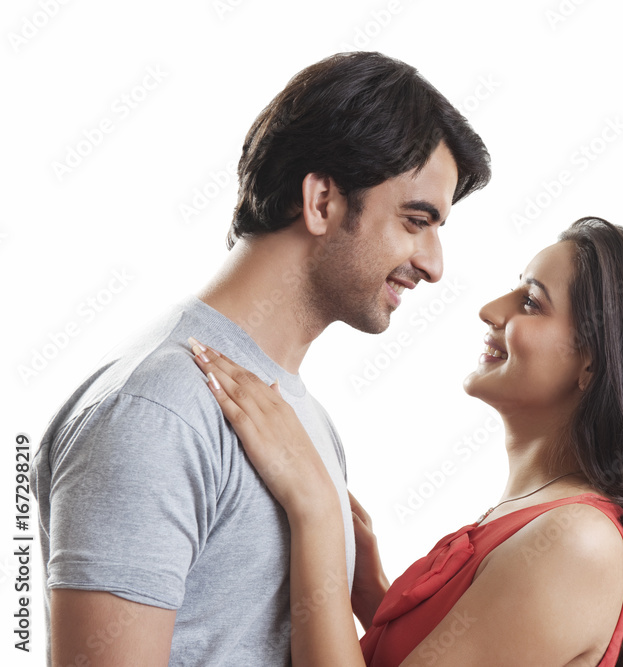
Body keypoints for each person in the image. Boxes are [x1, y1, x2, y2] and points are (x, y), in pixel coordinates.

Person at [29, 51, 490, 665]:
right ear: (323, 201)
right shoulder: (161, 412)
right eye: (415, 221)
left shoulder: (303, 421)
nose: (433, 265)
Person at [191, 217, 623, 666]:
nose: (490, 310)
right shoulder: (543, 517)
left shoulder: (578, 542)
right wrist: (373, 592)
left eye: (530, 302)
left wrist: (316, 510)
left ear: (591, 363)